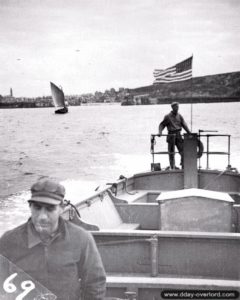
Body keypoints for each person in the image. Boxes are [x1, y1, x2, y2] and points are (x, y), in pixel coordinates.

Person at [0, 178, 106, 300]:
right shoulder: (8, 241)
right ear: (30, 206)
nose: (42, 216)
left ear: (61, 208)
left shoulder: (81, 239)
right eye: (37, 208)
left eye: (50, 209)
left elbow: (95, 283)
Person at [158, 102, 191, 169]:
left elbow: (184, 125)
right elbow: (162, 125)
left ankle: (183, 165)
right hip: (171, 135)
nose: (177, 108)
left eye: (178, 107)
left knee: (183, 151)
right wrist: (160, 132)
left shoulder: (179, 116)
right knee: (171, 152)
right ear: (172, 107)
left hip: (178, 135)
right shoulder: (167, 116)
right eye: (176, 107)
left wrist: (189, 133)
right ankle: (172, 166)